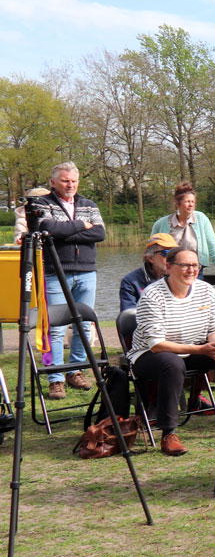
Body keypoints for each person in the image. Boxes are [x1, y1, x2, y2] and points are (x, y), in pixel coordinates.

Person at [125, 248, 215, 456]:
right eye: (185, 265)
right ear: (169, 267)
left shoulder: (206, 290)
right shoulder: (152, 295)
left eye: (195, 265)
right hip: (149, 356)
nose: (192, 270)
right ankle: (168, 433)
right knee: (172, 363)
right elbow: (156, 345)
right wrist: (201, 349)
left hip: (194, 349)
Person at [28, 163, 105, 400]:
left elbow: (100, 233)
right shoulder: (43, 204)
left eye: (73, 180)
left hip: (86, 272)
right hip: (54, 272)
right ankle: (55, 378)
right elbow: (49, 228)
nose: (69, 184)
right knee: (55, 328)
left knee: (82, 325)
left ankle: (75, 370)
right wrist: (82, 225)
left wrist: (65, 231)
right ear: (53, 182)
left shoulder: (89, 204)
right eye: (64, 181)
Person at [151, 181, 215, 280]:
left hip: (195, 271)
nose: (191, 205)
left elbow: (212, 245)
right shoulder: (161, 224)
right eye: (187, 202)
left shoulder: (201, 219)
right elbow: (152, 251)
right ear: (177, 203)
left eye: (193, 202)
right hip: (170, 272)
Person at [119, 232, 178, 312]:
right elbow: (129, 315)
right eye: (166, 253)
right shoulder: (131, 281)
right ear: (150, 258)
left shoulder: (180, 277)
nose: (171, 258)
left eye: (174, 253)